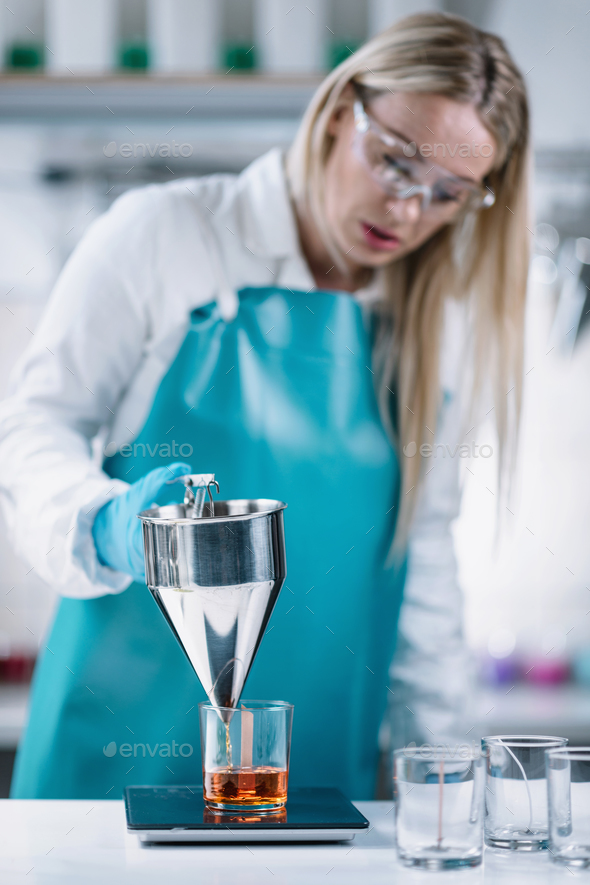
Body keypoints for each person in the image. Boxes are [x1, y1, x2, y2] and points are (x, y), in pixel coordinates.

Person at [0, 13, 529, 800]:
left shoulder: (432, 331)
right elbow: (32, 428)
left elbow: (424, 578)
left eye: (449, 194)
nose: (410, 209)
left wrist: (446, 782)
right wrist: (104, 523)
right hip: (110, 781)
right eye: (394, 163)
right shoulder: (167, 235)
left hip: (304, 782)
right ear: (342, 109)